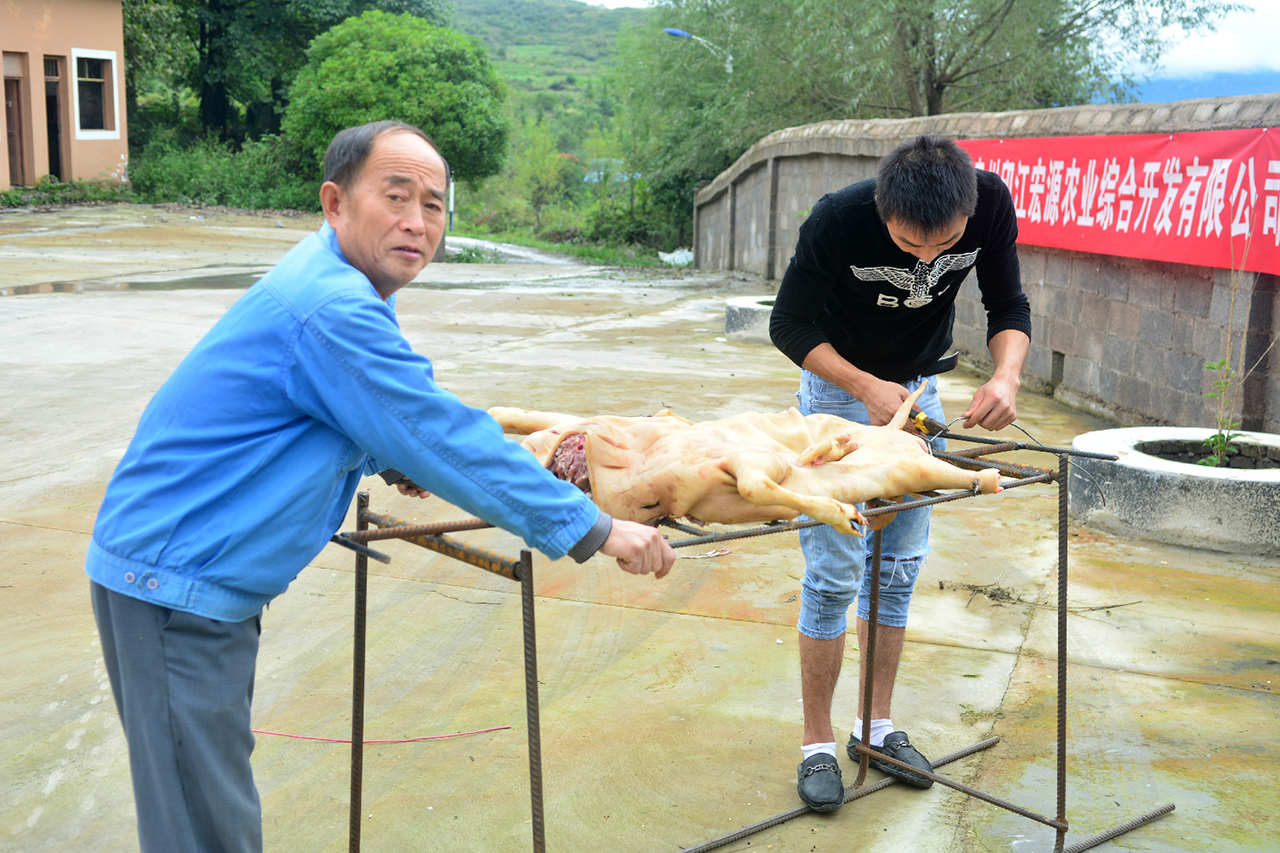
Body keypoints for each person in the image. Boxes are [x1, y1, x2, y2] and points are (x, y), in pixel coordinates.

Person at [85, 120, 676, 853]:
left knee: (205, 803)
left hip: (188, 573)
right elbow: (435, 432)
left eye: (433, 205)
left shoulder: (341, 282)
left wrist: (382, 454)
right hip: (173, 583)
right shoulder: (334, 307)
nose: (416, 222)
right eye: (395, 197)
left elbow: (342, 416)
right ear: (335, 203)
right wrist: (595, 528)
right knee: (203, 829)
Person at [769, 134, 1031, 811]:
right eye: (909, 246)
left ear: (967, 211)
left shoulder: (992, 203)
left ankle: (875, 728)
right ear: (883, 209)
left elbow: (1009, 305)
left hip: (917, 392)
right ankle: (817, 743)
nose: (926, 260)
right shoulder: (838, 218)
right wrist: (862, 386)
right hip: (836, 395)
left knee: (897, 570)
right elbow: (789, 326)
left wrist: (1007, 376)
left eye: (942, 245)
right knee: (833, 571)